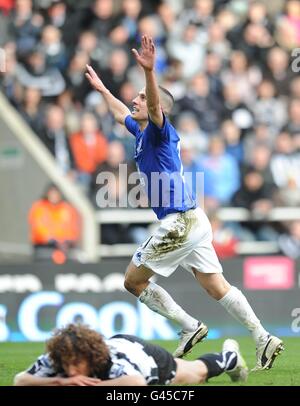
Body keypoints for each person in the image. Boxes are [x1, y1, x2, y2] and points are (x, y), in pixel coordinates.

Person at [85, 35, 283, 370]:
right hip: (193, 219)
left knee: (132, 281)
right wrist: (104, 90)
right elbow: (121, 114)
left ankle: (189, 326)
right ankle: (262, 336)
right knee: (216, 286)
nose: (135, 100)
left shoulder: (161, 132)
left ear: (156, 106)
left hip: (178, 222)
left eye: (142, 97)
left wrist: (150, 72)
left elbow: (153, 106)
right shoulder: (142, 131)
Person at [14, 323, 248, 386]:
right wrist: (61, 381)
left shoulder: (110, 363)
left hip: (146, 358)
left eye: (77, 364)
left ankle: (229, 357)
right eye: (67, 365)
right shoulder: (60, 359)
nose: (71, 370)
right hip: (121, 344)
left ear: (91, 357)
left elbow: (136, 382)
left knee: (195, 373)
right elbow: (20, 380)